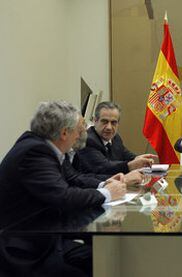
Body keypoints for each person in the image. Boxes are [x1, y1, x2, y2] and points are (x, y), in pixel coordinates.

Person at [0, 101, 128, 276]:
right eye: (79, 129)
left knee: (100, 255)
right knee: (93, 262)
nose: (81, 134)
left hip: (47, 235)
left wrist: (104, 184)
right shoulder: (35, 152)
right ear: (64, 132)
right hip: (25, 248)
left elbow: (73, 179)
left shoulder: (46, 148)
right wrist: (107, 193)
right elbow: (64, 196)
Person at [78, 101, 157, 174]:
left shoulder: (115, 138)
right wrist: (131, 165)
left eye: (113, 123)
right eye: (104, 121)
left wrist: (140, 159)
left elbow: (128, 156)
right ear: (95, 121)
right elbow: (105, 167)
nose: (109, 127)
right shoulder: (88, 140)